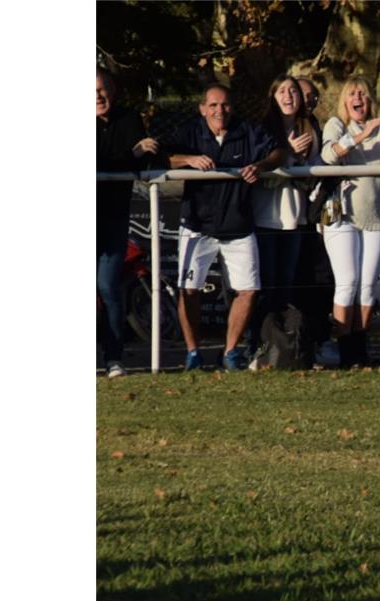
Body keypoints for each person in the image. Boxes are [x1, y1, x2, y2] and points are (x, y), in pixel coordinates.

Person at [163, 84, 284, 371]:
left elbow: (280, 152)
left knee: (249, 290)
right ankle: (193, 352)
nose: (220, 111)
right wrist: (187, 160)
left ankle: (230, 352)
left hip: (238, 226)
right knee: (188, 289)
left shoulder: (248, 131)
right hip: (197, 226)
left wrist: (262, 165)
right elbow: (160, 155)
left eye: (225, 105)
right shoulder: (190, 133)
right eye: (214, 105)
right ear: (203, 108)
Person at [318, 76, 380, 367]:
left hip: (375, 218)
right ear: (346, 100)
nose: (359, 98)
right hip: (342, 216)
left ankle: (360, 345)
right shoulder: (337, 125)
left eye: (364, 94)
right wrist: (361, 134)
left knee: (369, 286)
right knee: (347, 282)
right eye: (353, 94)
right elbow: (329, 155)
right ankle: (345, 347)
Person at [96, 67, 159, 378]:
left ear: (113, 90)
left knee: (108, 286)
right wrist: (130, 153)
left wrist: (133, 155)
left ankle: (113, 358)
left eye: (102, 88)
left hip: (112, 218)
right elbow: (103, 160)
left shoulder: (130, 119)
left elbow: (145, 159)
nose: (97, 95)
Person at [251, 74, 319, 353]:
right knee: (266, 286)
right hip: (266, 218)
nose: (288, 96)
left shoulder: (310, 128)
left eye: (293, 90)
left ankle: (283, 347)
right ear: (273, 96)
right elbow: (262, 172)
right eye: (282, 91)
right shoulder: (262, 130)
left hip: (295, 218)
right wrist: (288, 156)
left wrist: (299, 164)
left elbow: (313, 173)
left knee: (286, 287)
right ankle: (257, 344)